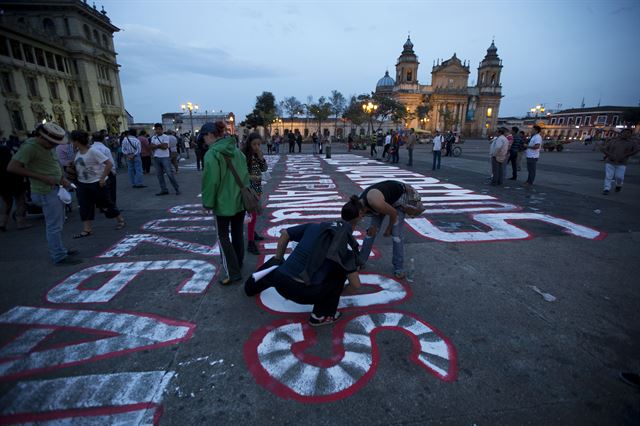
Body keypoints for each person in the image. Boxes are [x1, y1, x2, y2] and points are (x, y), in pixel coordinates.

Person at [244, 196, 365, 326]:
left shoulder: (315, 226)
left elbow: (285, 234)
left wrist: (278, 259)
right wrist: (335, 294)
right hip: (305, 293)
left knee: (277, 266)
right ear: (360, 216)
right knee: (339, 274)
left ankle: (250, 287)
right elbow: (355, 285)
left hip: (280, 280)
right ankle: (320, 315)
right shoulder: (347, 245)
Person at [7, 123, 81, 265]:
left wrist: (62, 179)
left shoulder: (47, 146)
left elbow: (51, 165)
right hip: (45, 190)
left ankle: (60, 249)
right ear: (41, 137)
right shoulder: (29, 147)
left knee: (58, 223)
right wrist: (41, 177)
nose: (54, 146)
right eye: (52, 143)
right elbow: (12, 167)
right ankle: (58, 255)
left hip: (55, 187)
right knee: (54, 225)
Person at [201, 121, 249, 285]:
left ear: (210, 135)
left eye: (204, 137)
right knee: (237, 233)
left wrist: (207, 203)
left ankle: (232, 271)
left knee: (222, 237)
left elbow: (211, 182)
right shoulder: (237, 151)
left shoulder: (212, 154)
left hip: (222, 204)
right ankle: (238, 263)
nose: (203, 141)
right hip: (239, 201)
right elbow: (245, 176)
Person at [359, 180, 424, 279]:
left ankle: (399, 267)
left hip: (398, 200)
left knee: (396, 234)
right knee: (370, 232)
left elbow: (393, 213)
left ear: (362, 211)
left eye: (361, 215)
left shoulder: (374, 202)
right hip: (384, 199)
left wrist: (388, 229)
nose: (362, 218)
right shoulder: (358, 202)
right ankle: (360, 261)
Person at [70, 130, 125, 238]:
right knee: (84, 206)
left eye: (73, 141)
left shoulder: (93, 151)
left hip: (96, 182)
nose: (72, 143)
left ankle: (120, 220)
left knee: (107, 203)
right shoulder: (78, 152)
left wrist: (102, 178)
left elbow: (108, 163)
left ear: (77, 141)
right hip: (83, 183)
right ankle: (87, 229)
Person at [243, 133, 268, 255]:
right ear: (249, 144)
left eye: (259, 144)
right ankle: (250, 243)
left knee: (255, 212)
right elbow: (240, 173)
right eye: (254, 144)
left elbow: (264, 169)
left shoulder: (258, 154)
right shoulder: (244, 155)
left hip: (257, 187)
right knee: (252, 215)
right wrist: (251, 177)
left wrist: (261, 157)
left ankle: (253, 233)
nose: (257, 147)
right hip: (249, 188)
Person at [0, 143, 31, 231]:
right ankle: (21, 223)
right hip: (14, 178)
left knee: (6, 201)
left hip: (1, 180)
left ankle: (2, 222)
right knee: (20, 200)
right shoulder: (7, 148)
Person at [601, 128, 640, 195]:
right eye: (625, 132)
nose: (626, 134)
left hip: (622, 162)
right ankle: (606, 189)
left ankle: (618, 185)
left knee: (619, 177)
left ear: (630, 135)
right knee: (608, 176)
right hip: (610, 161)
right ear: (621, 133)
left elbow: (636, 150)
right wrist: (608, 154)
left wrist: (627, 155)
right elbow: (605, 149)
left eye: (628, 133)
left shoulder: (632, 143)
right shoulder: (614, 141)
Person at [91, 132, 122, 207]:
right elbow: (110, 161)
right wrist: (113, 171)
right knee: (111, 190)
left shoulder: (90, 148)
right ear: (102, 139)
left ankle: (101, 205)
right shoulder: (105, 149)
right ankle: (112, 205)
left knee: (98, 190)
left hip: (94, 171)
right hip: (107, 171)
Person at [150, 123, 180, 195]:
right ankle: (164, 189)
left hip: (165, 157)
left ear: (162, 129)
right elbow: (151, 147)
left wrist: (156, 146)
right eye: (156, 129)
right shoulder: (153, 137)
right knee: (159, 175)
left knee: (169, 173)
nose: (157, 131)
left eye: (159, 129)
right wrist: (160, 145)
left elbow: (165, 147)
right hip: (156, 157)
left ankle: (176, 188)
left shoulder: (166, 137)